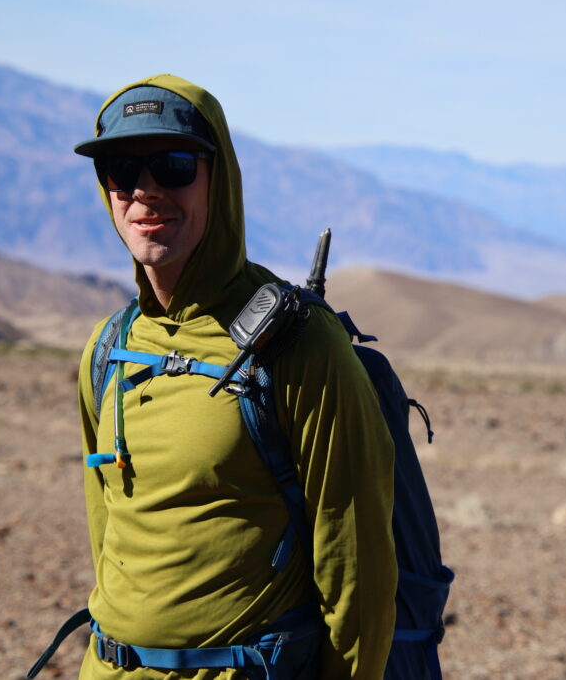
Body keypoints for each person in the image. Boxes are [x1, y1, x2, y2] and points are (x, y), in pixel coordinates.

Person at [70, 75, 397, 679]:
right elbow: (106, 535)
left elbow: (358, 576)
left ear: (218, 182)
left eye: (172, 167)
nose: (144, 191)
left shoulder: (300, 347)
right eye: (122, 169)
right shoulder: (108, 348)